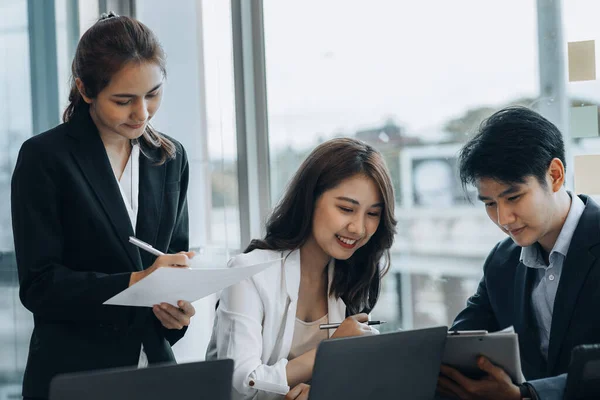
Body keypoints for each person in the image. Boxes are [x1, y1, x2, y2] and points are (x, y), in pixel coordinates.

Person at [11, 12, 195, 400]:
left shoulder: (171, 159)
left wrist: (175, 317)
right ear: (85, 89)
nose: (142, 114)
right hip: (76, 378)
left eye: (153, 94)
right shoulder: (45, 157)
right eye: (124, 100)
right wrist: (135, 283)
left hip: (156, 376)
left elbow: (172, 260)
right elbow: (40, 285)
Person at [206, 138, 397, 399]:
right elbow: (240, 385)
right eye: (346, 208)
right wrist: (331, 351)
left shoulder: (351, 278)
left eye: (372, 214)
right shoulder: (249, 273)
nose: (358, 228)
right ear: (310, 199)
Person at [437, 106, 600, 400]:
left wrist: (526, 395)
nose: (503, 219)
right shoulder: (502, 262)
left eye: (513, 197)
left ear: (555, 175)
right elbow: (458, 346)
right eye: (489, 203)